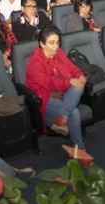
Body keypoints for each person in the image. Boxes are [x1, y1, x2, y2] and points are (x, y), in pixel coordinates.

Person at [24, 27, 94, 164]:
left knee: (77, 88)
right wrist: (70, 81)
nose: (56, 46)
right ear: (42, 44)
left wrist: (80, 76)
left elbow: (72, 67)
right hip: (45, 97)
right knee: (74, 112)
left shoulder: (59, 53)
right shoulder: (34, 62)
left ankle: (62, 119)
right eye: (51, 43)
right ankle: (80, 149)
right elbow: (48, 82)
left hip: (63, 94)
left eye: (57, 43)